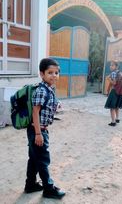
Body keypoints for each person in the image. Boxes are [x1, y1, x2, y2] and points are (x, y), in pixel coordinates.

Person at [24, 58, 65, 199]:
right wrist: (38, 134)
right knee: (42, 160)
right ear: (42, 74)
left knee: (34, 158)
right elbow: (35, 112)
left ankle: (30, 185)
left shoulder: (49, 89)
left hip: (38, 129)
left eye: (56, 72)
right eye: (50, 72)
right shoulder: (42, 90)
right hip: (38, 130)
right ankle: (48, 188)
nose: (54, 75)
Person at [104, 60, 122, 126]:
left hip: (114, 92)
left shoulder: (113, 73)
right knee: (117, 106)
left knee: (112, 107)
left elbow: (114, 83)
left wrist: (108, 78)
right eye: (110, 65)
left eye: (112, 65)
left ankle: (113, 122)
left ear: (116, 66)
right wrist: (107, 90)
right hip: (120, 92)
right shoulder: (119, 73)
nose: (110, 66)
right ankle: (117, 119)